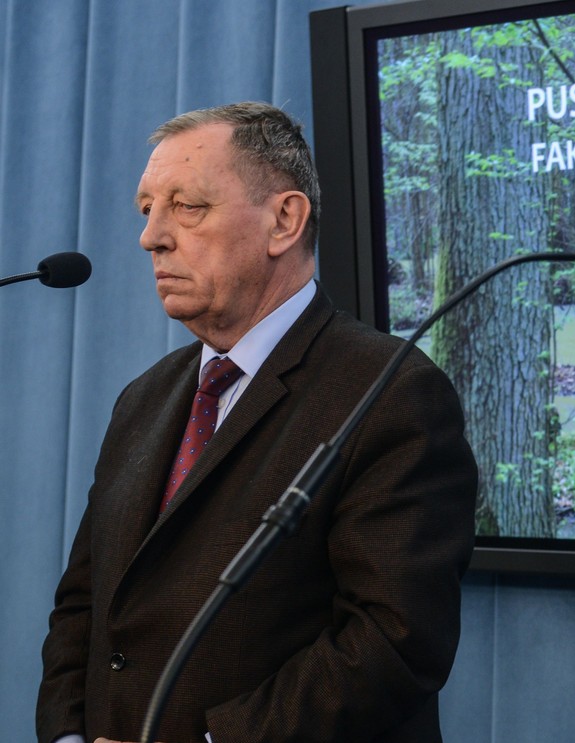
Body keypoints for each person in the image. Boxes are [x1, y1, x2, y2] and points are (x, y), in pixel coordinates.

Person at [35, 102, 478, 743]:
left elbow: (392, 641)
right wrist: (70, 735)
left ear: (283, 221)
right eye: (147, 210)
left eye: (187, 207)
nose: (151, 237)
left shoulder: (390, 390)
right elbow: (86, 601)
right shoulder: (143, 398)